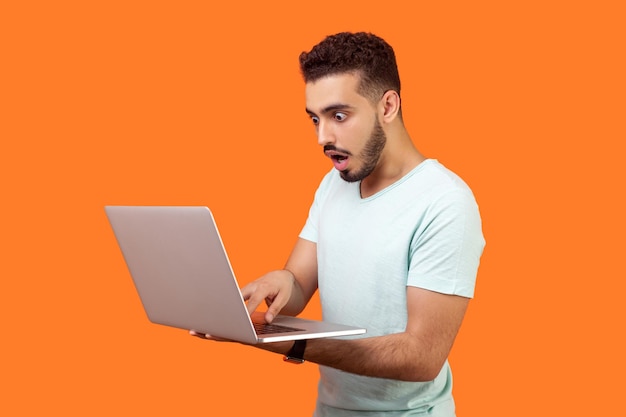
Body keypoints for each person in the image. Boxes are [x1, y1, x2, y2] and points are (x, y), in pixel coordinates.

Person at [193, 32, 485, 416]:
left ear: (388, 106)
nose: (322, 137)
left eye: (339, 116)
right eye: (315, 118)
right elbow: (297, 286)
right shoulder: (335, 182)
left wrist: (279, 343)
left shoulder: (444, 202)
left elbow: (421, 357)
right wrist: (278, 283)